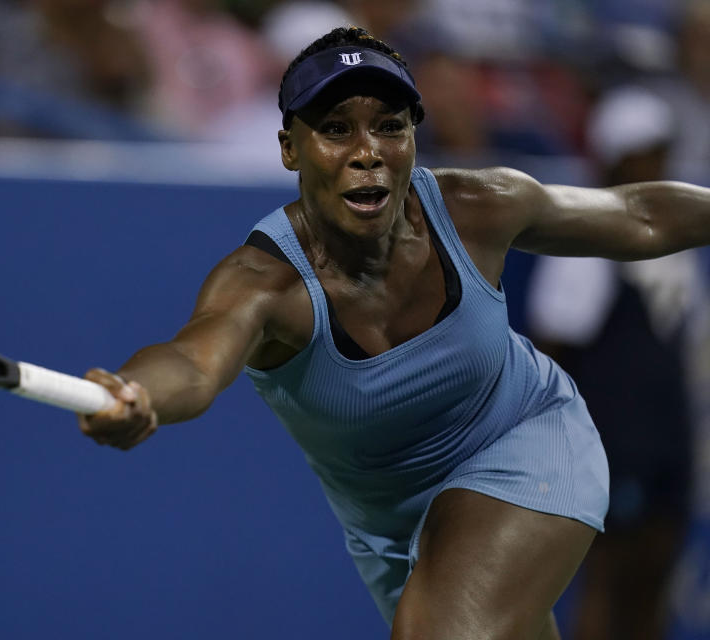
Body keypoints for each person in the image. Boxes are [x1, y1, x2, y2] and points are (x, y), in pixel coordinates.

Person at [75, 26, 710, 638]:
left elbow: (640, 215)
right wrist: (137, 391)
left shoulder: (477, 207)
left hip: (526, 443)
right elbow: (191, 362)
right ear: (289, 147)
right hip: (394, 530)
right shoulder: (264, 284)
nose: (366, 151)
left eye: (389, 125)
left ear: (413, 138)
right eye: (334, 129)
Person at [527, 86, 701, 640]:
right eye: (644, 152)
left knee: (654, 579)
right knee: (609, 578)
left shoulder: (676, 246)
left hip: (668, 442)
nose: (657, 164)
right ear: (616, 159)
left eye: (661, 151)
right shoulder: (587, 243)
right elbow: (552, 346)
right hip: (610, 448)